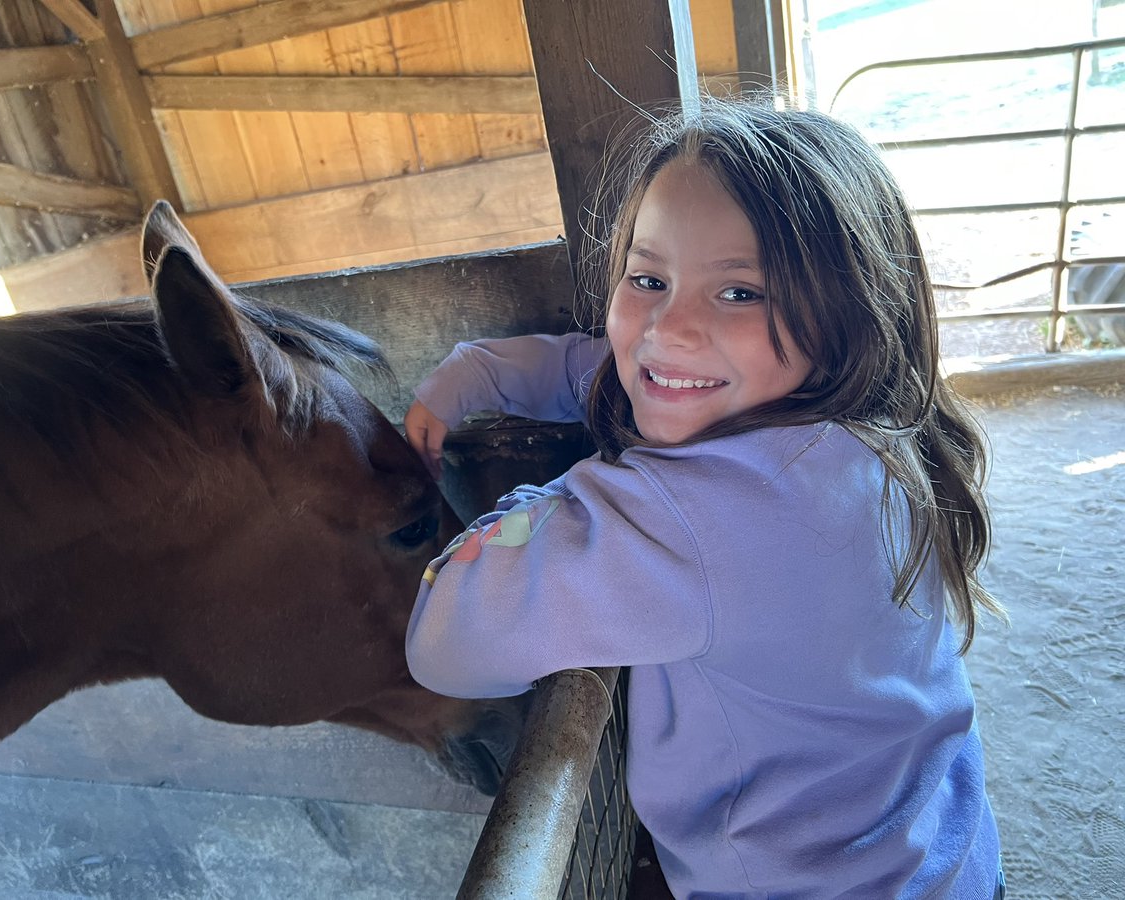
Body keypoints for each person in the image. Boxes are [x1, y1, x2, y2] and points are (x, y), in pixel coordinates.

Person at [403, 96, 1005, 898]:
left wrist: (559, 494)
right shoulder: (872, 431)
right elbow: (634, 364)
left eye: (740, 292)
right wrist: (483, 371)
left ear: (848, 312)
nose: (668, 327)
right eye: (648, 278)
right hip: (945, 854)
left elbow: (447, 642)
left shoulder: (692, 518)